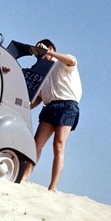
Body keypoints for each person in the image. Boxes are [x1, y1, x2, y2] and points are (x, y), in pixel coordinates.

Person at [22, 39, 82, 191]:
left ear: (50, 48)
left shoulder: (61, 62)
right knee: (37, 143)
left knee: (58, 145)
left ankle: (53, 186)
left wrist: (48, 52)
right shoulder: (44, 71)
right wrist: (23, 107)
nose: (40, 56)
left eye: (41, 52)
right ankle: (25, 177)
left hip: (67, 105)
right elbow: (39, 97)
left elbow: (72, 61)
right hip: (49, 106)